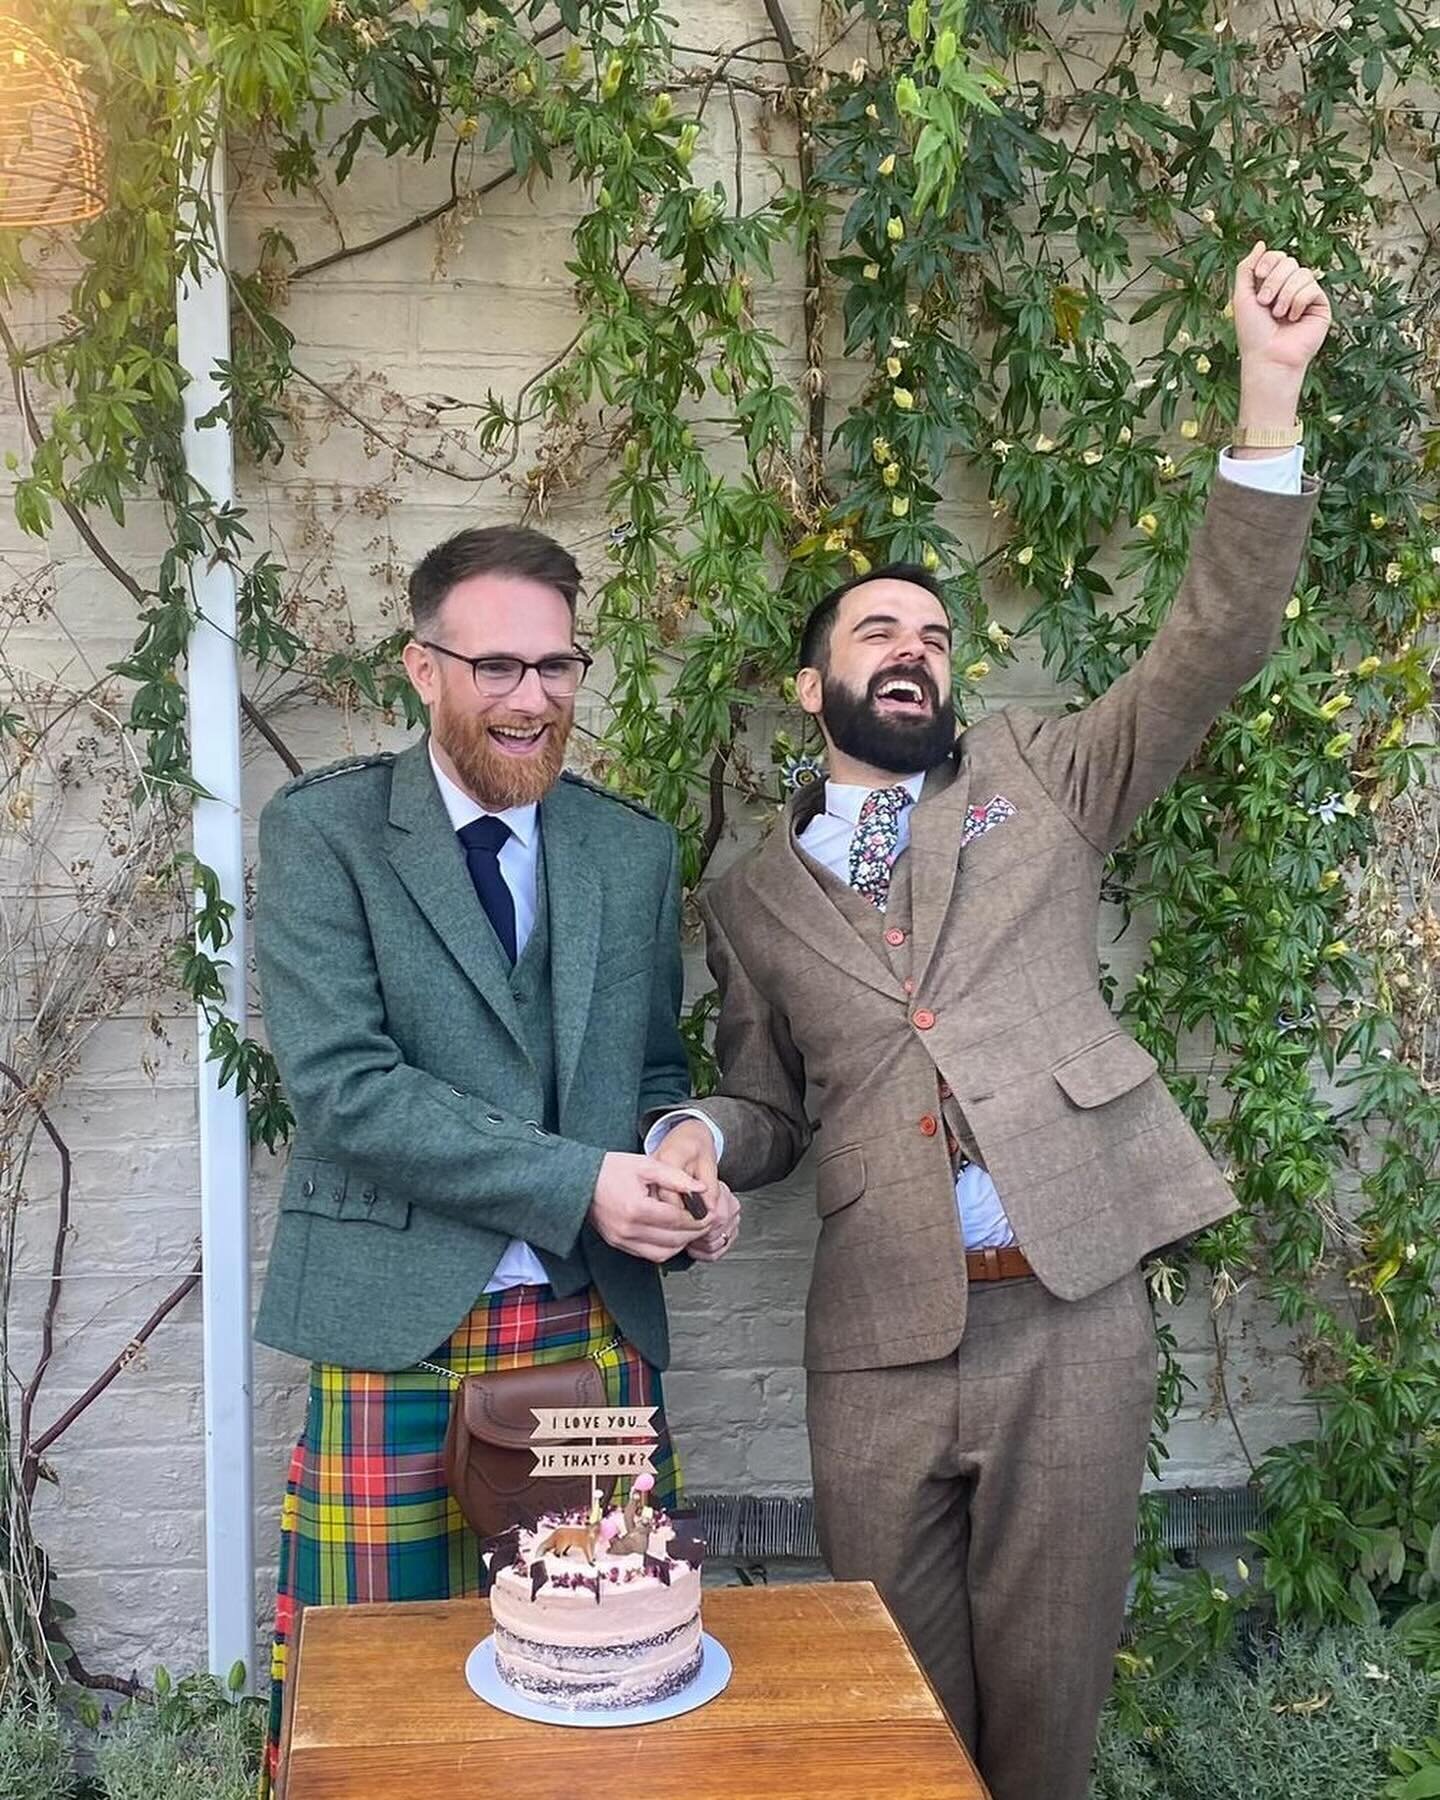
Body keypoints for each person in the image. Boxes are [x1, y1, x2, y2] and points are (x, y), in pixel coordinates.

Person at [653, 243, 1330, 1799]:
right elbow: (769, 1103)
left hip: (1068, 1316)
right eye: (880, 633)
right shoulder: (753, 900)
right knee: (893, 1718)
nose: (916, 650)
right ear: (810, 685)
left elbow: (1209, 649)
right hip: (877, 1341)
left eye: (937, 635)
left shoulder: (1043, 775)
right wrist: (694, 1133)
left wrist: (1267, 396)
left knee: (1048, 1713)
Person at [251, 524, 736, 1795]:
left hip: (591, 1330)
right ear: (424, 670)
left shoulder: (628, 850)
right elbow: (345, 1092)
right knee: (375, 1713)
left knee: (601, 1696)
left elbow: (648, 1075)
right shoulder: (330, 833)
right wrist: (582, 1184)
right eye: (498, 668)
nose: (532, 699)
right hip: (393, 1335)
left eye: (558, 668)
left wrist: (679, 1158)